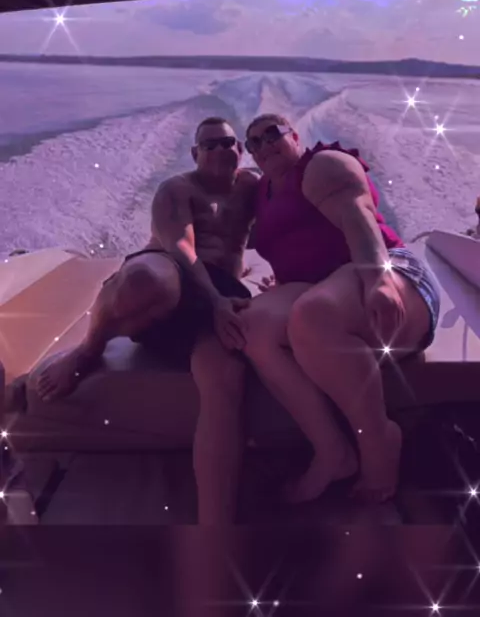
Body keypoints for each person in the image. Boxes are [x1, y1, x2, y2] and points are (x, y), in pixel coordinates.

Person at [35, 116, 259, 524]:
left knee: (225, 380)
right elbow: (182, 247)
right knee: (147, 281)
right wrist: (215, 299)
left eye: (228, 142)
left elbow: (288, 222)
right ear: (194, 153)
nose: (220, 149)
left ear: (240, 150)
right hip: (172, 269)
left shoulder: (252, 188)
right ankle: (88, 350)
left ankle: (216, 525)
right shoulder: (177, 189)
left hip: (220, 293)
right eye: (209, 144)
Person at [237, 113, 440, 504]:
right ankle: (332, 452)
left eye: (272, 134)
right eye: (254, 143)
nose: (263, 145)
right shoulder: (262, 192)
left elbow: (357, 216)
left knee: (314, 315)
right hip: (325, 286)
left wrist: (378, 279)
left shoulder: (321, 165)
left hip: (389, 270)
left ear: (295, 136)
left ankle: (378, 442)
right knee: (252, 326)